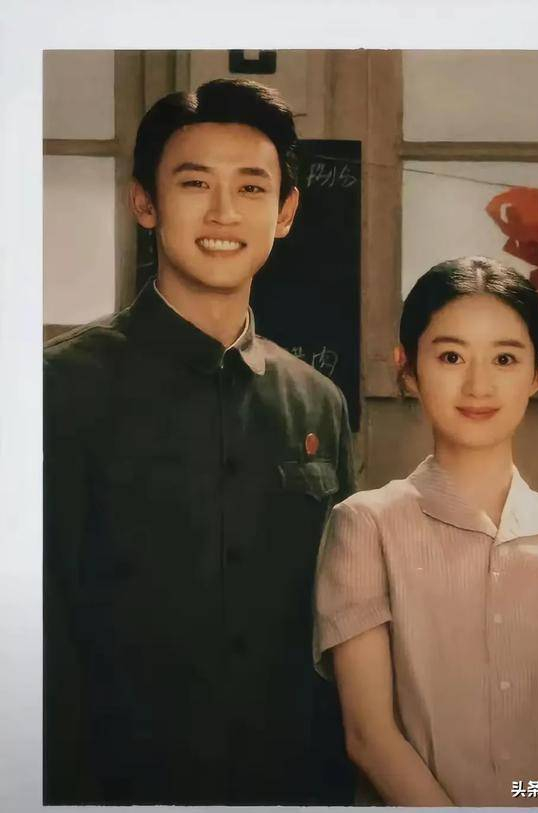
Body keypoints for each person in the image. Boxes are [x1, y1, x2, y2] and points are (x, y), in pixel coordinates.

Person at [44, 78, 355, 805]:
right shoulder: (58, 388)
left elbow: (335, 625)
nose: (224, 213)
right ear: (144, 202)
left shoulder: (317, 402)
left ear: (285, 213)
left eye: (251, 187)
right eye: (194, 183)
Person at [314, 257, 538, 807]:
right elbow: (370, 737)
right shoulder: (365, 526)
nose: (478, 385)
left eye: (505, 359)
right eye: (451, 356)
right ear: (407, 367)